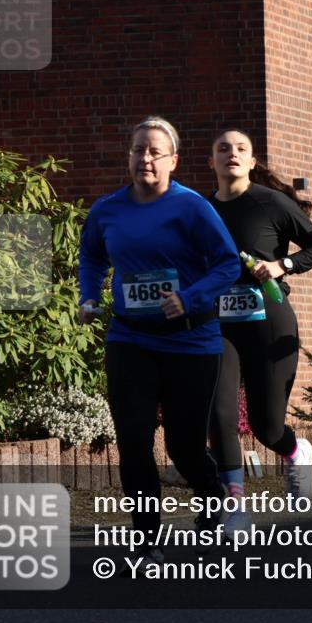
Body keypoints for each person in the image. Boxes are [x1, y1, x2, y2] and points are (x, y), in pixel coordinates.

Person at [79, 117, 241, 572]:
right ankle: (147, 540)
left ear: (173, 160)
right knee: (133, 439)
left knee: (184, 447)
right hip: (130, 338)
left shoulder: (192, 208)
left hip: (191, 341)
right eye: (136, 151)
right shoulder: (107, 210)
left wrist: (188, 299)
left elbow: (227, 265)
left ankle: (212, 496)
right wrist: (88, 296)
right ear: (127, 156)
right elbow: (92, 255)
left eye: (154, 152)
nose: (144, 159)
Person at [206, 128, 312, 532]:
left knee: (266, 427)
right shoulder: (200, 210)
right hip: (219, 324)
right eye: (223, 149)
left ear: (252, 161)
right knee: (220, 412)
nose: (232, 154)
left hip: (269, 318)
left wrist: (283, 265)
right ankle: (236, 506)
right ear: (211, 161)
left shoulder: (270, 202)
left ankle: (295, 451)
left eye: (241, 148)